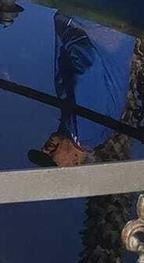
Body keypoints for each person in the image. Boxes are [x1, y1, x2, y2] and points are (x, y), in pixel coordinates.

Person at [28, 12, 136, 167]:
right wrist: (67, 27)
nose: (45, 150)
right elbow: (88, 64)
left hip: (98, 24)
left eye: (42, 153)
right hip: (97, 23)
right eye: (51, 159)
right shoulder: (85, 132)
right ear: (75, 162)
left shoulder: (84, 132)